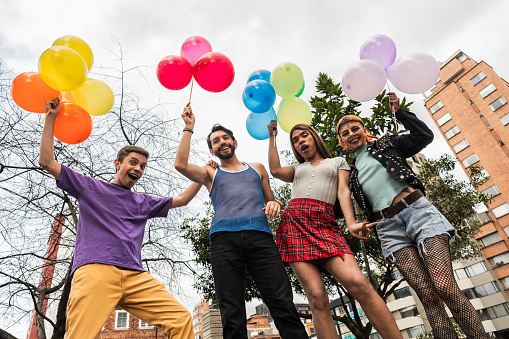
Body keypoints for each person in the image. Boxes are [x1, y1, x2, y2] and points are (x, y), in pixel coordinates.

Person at [39, 98, 200, 339]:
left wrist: (204, 173)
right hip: (96, 270)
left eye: (143, 166)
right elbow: (47, 161)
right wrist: (51, 117)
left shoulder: (143, 202)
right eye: (133, 163)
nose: (138, 169)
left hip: (136, 275)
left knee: (181, 319)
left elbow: (183, 199)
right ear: (118, 164)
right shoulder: (89, 187)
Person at [337, 92, 488, 338]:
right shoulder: (350, 174)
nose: (351, 134)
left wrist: (400, 113)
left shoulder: (386, 144)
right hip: (388, 228)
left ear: (364, 130)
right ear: (342, 141)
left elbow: (424, 136)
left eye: (355, 128)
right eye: (345, 133)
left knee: (445, 287)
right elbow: (339, 206)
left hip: (418, 212)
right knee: (427, 296)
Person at [175, 105, 308, 339]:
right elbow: (181, 165)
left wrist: (274, 205)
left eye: (226, 137)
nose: (222, 142)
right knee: (231, 309)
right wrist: (188, 128)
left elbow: (271, 202)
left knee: (282, 302)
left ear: (235, 142)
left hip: (261, 239)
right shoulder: (210, 173)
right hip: (224, 241)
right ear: (212, 150)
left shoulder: (257, 169)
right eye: (216, 141)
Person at [267, 121, 403, 339]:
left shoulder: (337, 162)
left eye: (304, 135)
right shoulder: (297, 169)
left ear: (314, 137)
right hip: (294, 225)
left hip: (325, 225)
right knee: (317, 296)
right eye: (295, 140)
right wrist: (272, 137)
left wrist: (350, 224)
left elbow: (343, 191)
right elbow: (274, 170)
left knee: (360, 284)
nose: (300, 140)